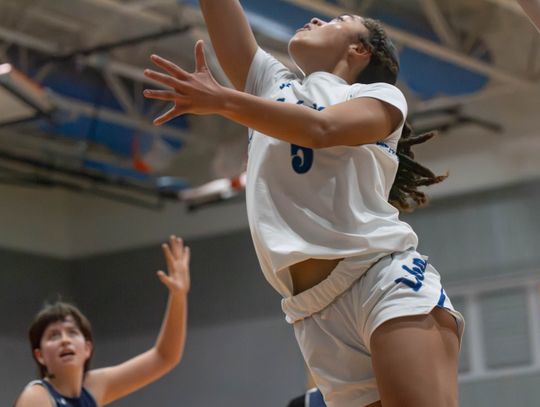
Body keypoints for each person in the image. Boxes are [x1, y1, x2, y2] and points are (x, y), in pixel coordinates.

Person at [143, 3, 464, 406]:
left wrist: (224, 101)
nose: (316, 18)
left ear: (360, 50)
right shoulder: (270, 85)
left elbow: (321, 129)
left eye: (337, 20)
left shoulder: (378, 96)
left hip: (379, 280)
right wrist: (229, 99)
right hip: (311, 312)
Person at [14, 235, 190, 407]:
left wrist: (178, 296)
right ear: (40, 356)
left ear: (87, 348)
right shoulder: (36, 397)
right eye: (54, 335)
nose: (65, 340)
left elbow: (164, 356)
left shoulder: (93, 387)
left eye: (72, 332)